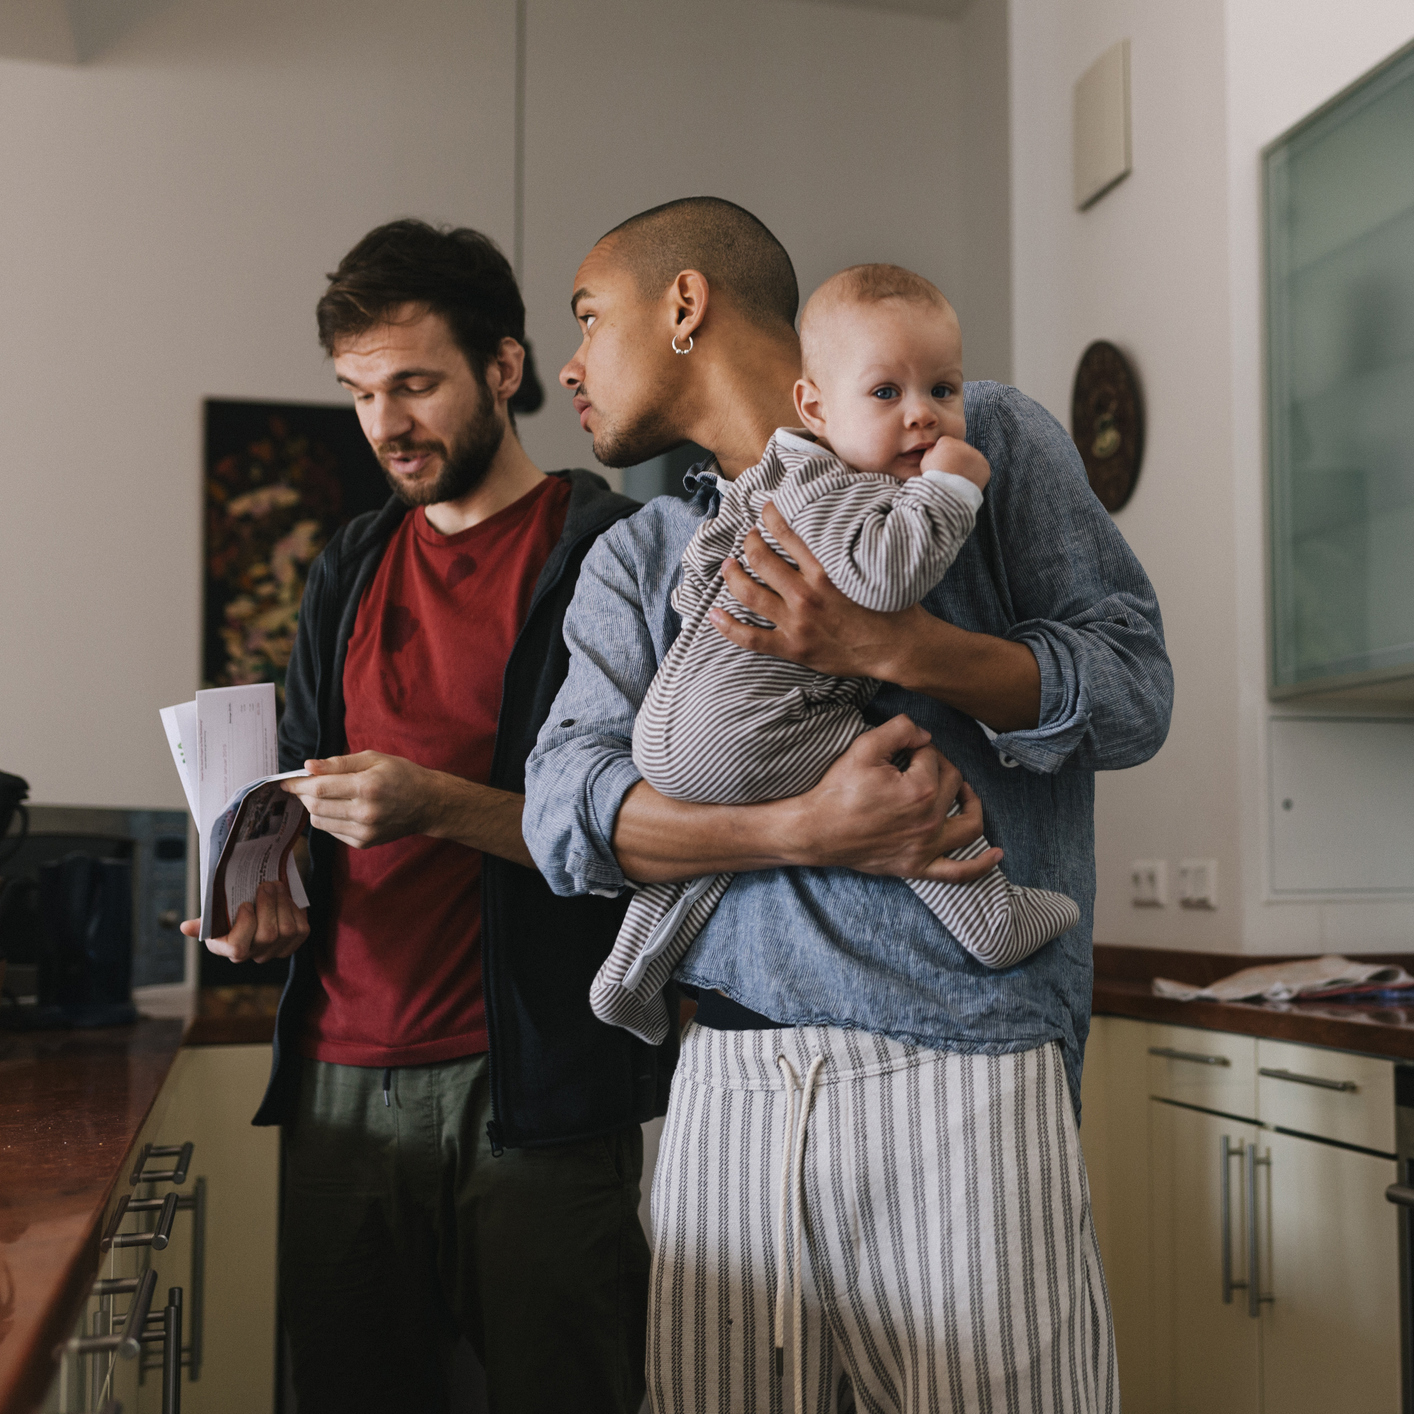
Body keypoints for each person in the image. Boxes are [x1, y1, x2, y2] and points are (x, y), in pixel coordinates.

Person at [523, 197, 1173, 1413]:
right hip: (725, 1087)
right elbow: (563, 816)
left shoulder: (980, 447)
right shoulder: (639, 553)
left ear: (682, 308)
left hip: (964, 1073)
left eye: (586, 317)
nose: (568, 362)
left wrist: (900, 643)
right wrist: (796, 829)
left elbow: (1134, 694)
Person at [186, 219, 673, 1414]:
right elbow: (294, 816)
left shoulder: (606, 549)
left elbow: (648, 837)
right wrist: (256, 903)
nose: (385, 425)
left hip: (540, 1088)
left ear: (504, 370)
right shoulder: (346, 565)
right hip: (339, 1087)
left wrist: (435, 805)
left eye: (414, 384)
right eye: (360, 393)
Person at [590, 262, 1079, 1048]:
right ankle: (988, 913)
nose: (924, 418)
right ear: (815, 407)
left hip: (673, 733)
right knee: (906, 778)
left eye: (944, 392)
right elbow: (886, 577)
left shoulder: (778, 481)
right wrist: (950, 492)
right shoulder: (845, 491)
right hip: (746, 726)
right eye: (886, 394)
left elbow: (698, 578)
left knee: (725, 819)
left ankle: (632, 964)